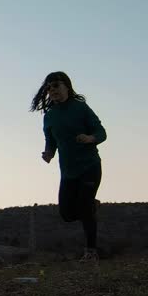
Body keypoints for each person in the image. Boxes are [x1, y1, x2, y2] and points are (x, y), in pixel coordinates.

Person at [30, 71, 107, 262]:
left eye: (56, 85)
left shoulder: (80, 108)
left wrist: (90, 138)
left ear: (67, 86)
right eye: (49, 87)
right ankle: (91, 205)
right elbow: (51, 139)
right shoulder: (50, 116)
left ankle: (91, 252)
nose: (52, 90)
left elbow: (101, 132)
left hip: (89, 166)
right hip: (68, 171)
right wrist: (49, 153)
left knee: (84, 208)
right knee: (66, 213)